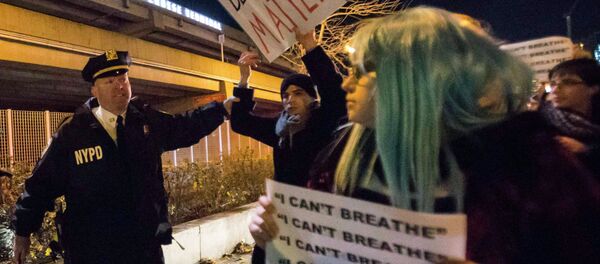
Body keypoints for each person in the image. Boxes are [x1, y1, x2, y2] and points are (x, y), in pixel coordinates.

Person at [250, 7, 600, 263]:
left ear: (417, 79)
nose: (346, 83)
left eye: (362, 71)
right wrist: (274, 241)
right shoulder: (341, 159)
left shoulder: (534, 172)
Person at [12, 50, 229, 264]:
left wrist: (222, 110)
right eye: (110, 81)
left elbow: (185, 126)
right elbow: (40, 185)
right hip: (93, 250)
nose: (120, 86)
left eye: (123, 79)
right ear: (94, 90)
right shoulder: (72, 133)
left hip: (144, 247)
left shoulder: (145, 121)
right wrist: (23, 232)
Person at [226, 29, 346, 263]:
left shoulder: (324, 123)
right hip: (281, 220)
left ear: (312, 98)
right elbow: (241, 123)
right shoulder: (280, 130)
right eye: (285, 95)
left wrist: (309, 44)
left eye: (298, 93)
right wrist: (243, 79)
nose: (290, 99)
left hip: (318, 222)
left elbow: (334, 93)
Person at [540, 58, 600, 176]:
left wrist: (587, 150)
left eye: (568, 82)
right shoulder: (541, 124)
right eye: (553, 84)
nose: (555, 90)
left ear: (593, 88)